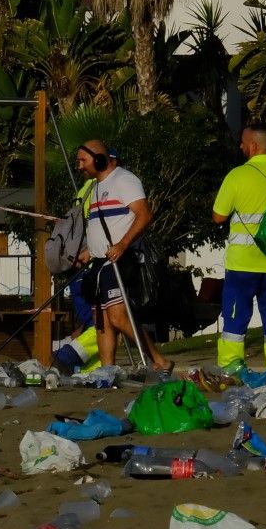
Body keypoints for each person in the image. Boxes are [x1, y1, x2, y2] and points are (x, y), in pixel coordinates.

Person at [210, 122, 266, 375]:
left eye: (242, 141)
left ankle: (231, 367)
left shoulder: (238, 175)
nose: (240, 146)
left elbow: (218, 216)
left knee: (236, 318)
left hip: (243, 264)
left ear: (253, 146)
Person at [68, 142, 168, 373]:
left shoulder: (124, 180)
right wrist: (88, 252)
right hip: (99, 262)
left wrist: (123, 245)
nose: (79, 166)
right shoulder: (94, 187)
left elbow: (144, 215)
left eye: (83, 160)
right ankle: (107, 370)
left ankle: (158, 359)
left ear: (100, 159)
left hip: (119, 259)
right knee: (101, 320)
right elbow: (103, 225)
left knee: (118, 315)